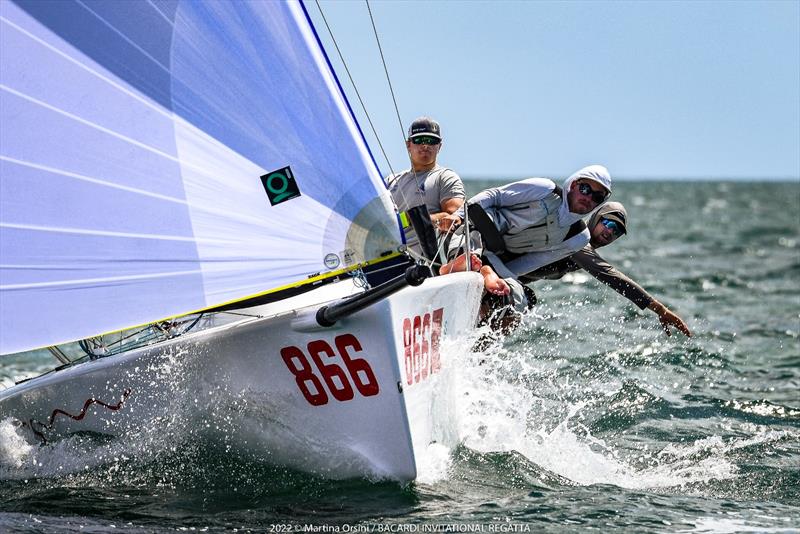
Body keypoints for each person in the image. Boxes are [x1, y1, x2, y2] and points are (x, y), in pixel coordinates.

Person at [440, 165, 614, 303]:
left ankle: (479, 342)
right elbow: (494, 196)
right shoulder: (545, 189)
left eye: (597, 197)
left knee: (521, 300)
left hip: (495, 260)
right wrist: (459, 216)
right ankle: (456, 266)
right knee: (475, 224)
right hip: (478, 231)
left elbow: (531, 262)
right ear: (574, 185)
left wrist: (507, 281)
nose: (589, 198)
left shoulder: (578, 238)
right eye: (585, 189)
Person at [518, 201, 692, 337]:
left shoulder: (585, 249)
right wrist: (660, 309)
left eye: (616, 231)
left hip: (513, 278)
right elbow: (610, 275)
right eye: (607, 223)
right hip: (497, 271)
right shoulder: (577, 239)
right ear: (596, 218)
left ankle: (489, 356)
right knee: (517, 300)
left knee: (526, 300)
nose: (610, 232)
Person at [386, 117, 466, 263]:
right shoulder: (391, 180)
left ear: (439, 146)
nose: (425, 145)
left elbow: (455, 217)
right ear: (408, 145)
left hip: (422, 263)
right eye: (419, 140)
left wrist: (413, 219)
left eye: (431, 141)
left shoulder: (446, 177)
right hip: (386, 257)